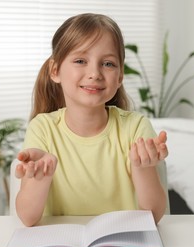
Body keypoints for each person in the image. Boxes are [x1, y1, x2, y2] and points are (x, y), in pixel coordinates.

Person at [14, 13, 168, 227]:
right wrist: (40, 178)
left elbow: (154, 215)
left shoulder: (136, 127)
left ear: (120, 76)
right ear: (55, 70)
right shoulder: (42, 128)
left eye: (108, 63)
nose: (94, 73)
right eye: (80, 61)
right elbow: (28, 218)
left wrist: (142, 167)